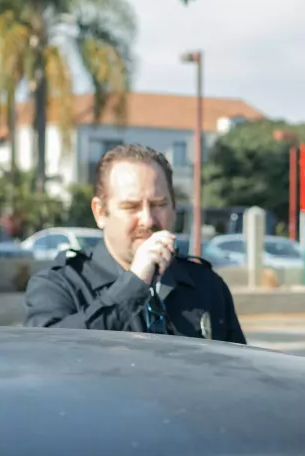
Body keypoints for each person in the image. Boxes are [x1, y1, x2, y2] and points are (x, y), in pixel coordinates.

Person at [24, 144, 246, 343]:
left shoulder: (206, 286)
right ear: (100, 213)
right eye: (131, 207)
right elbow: (49, 353)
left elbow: (236, 376)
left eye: (159, 204)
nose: (148, 220)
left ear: (174, 208)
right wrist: (134, 284)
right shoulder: (59, 285)